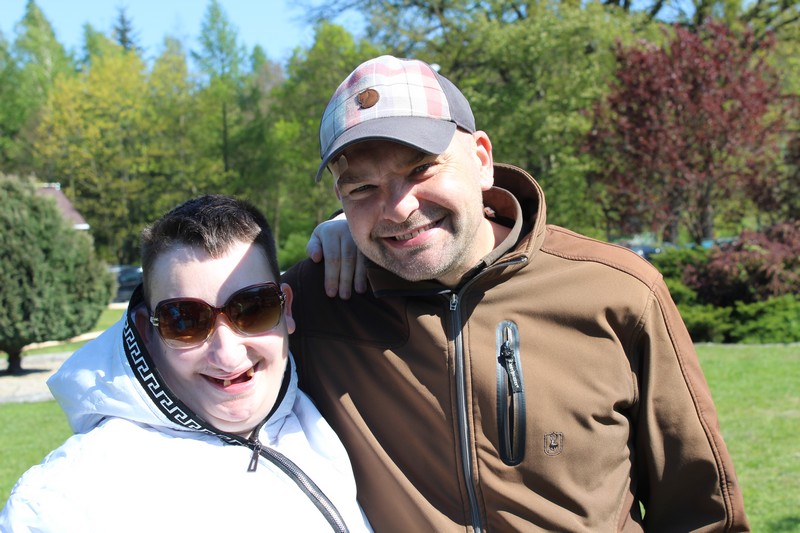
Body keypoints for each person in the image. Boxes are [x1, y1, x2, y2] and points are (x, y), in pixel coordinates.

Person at [283, 55, 750, 531]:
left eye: (422, 168)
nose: (398, 209)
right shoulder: (316, 305)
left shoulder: (618, 290)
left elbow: (701, 512)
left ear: (482, 159)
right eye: (362, 188)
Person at [0, 195, 371, 533]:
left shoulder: (325, 397)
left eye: (253, 308)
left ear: (286, 309)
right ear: (147, 332)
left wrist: (354, 224)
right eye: (185, 320)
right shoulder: (68, 501)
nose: (227, 355)